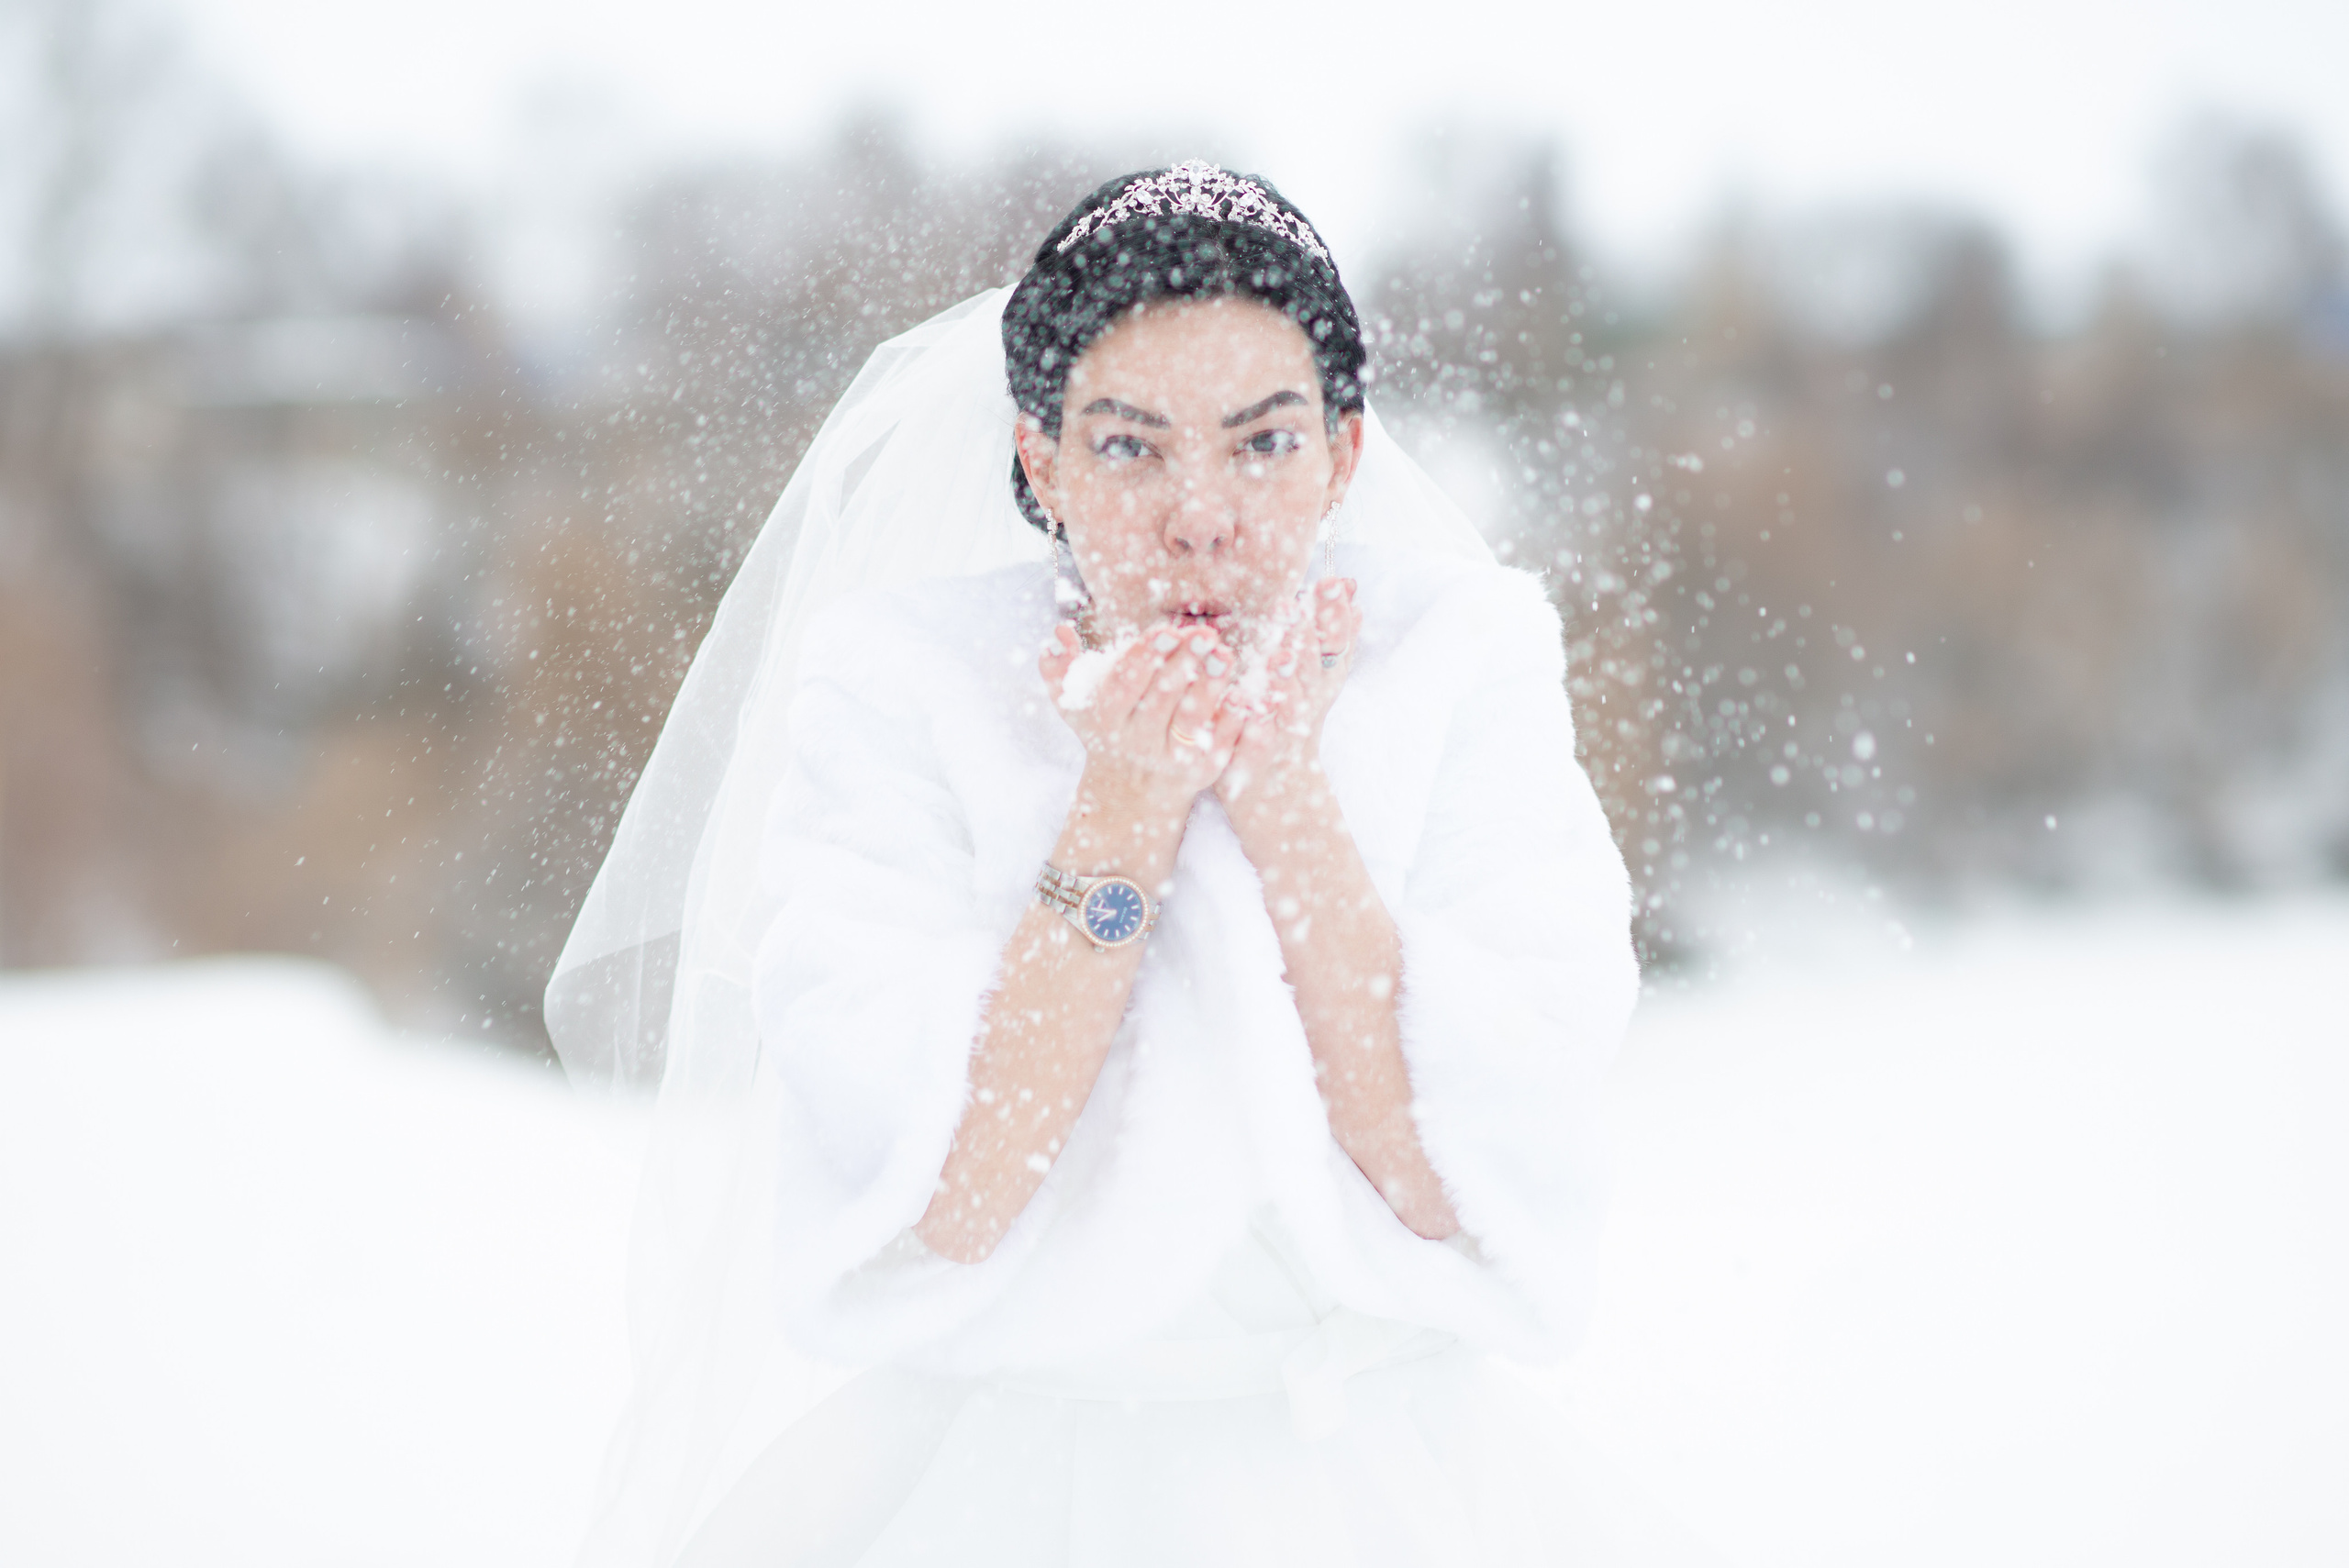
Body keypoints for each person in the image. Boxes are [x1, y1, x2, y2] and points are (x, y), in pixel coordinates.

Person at [549, 161, 1642, 1567]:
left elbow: (1456, 1184)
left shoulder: (1462, 661)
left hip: (1385, 1485)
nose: (1201, 512)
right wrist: (1123, 804)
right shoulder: (897, 690)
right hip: (1006, 1488)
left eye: (1263, 442)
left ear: (1345, 454)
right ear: (1041, 459)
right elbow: (947, 1199)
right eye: (1130, 446)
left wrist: (1279, 789)